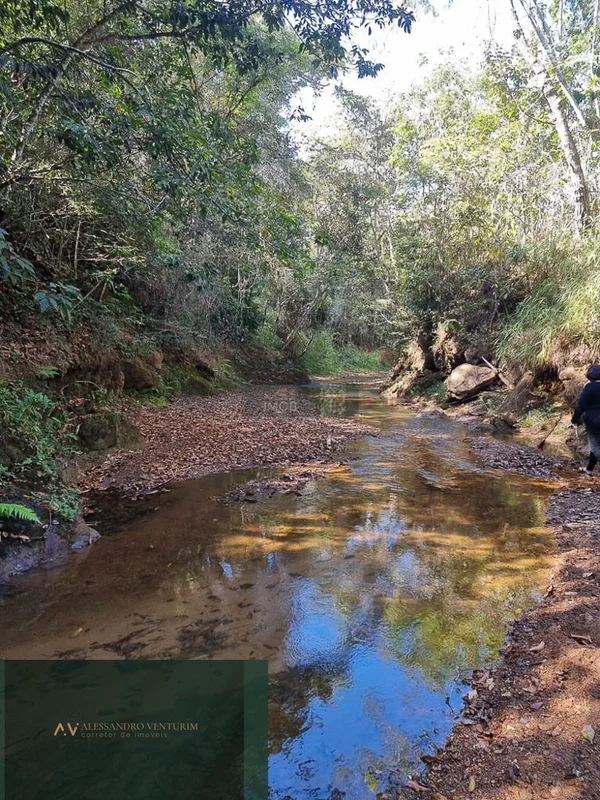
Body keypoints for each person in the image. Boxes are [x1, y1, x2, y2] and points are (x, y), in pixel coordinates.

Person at [571, 364, 600, 475]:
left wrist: (574, 420)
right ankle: (589, 469)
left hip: (593, 420)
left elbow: (581, 406)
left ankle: (589, 469)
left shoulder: (589, 387)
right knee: (597, 446)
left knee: (595, 446)